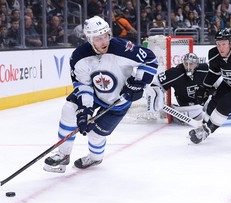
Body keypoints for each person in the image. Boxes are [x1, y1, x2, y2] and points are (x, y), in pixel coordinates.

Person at [43, 15, 158, 173]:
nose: (104, 42)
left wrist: (138, 84)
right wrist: (85, 110)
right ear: (89, 39)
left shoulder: (123, 48)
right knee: (69, 109)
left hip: (118, 99)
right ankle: (63, 154)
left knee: (95, 135)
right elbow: (83, 85)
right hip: (95, 94)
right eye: (98, 38)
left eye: (105, 36)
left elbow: (150, 60)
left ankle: (95, 158)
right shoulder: (79, 57)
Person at [146, 53, 231, 125]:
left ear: (197, 64)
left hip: (204, 102)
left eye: (191, 64)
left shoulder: (204, 69)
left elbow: (219, 82)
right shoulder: (176, 73)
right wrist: (156, 96)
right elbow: (156, 83)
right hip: (187, 107)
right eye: (186, 63)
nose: (188, 66)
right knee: (199, 115)